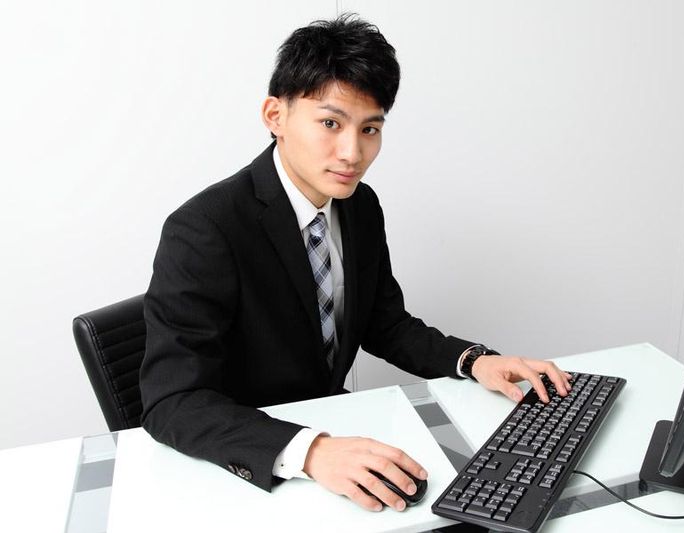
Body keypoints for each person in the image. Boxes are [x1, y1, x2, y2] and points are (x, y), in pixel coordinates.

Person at [139, 14, 571, 513]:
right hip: (250, 461)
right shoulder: (204, 228)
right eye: (330, 123)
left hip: (334, 434)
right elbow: (172, 401)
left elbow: (385, 324)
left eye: (370, 129)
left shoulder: (359, 205)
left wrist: (475, 361)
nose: (352, 152)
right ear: (275, 115)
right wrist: (311, 451)